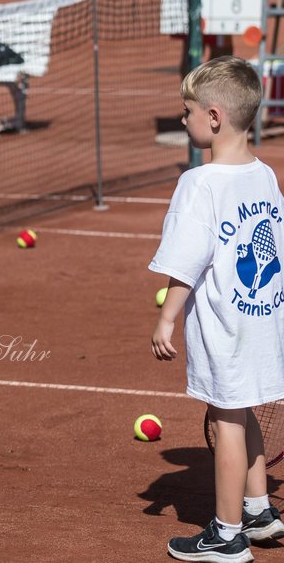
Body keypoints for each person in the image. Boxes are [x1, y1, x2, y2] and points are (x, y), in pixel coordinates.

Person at [149, 56, 284, 563]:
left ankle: (227, 536)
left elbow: (187, 261)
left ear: (212, 117)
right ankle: (257, 511)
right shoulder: (264, 174)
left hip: (226, 326)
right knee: (241, 409)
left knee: (228, 420)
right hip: (263, 319)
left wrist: (166, 317)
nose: (182, 121)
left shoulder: (199, 183)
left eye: (185, 112)